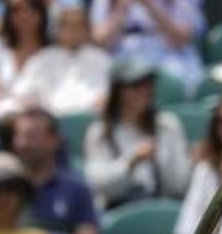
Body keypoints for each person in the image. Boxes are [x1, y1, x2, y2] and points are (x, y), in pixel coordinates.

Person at [0, 103, 100, 234]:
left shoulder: (76, 190)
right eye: (19, 136)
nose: (23, 144)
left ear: (54, 141)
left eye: (31, 137)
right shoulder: (0, 189)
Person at [82, 57, 191, 208]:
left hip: (160, 207)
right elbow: (98, 185)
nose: (145, 91)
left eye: (149, 84)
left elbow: (181, 185)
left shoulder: (168, 126)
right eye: (136, 85)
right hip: (117, 210)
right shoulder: (99, 132)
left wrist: (159, 162)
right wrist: (131, 162)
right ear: (118, 91)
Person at [10, 0, 112, 118]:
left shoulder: (102, 59)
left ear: (87, 29)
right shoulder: (42, 60)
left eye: (80, 25)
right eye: (69, 25)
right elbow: (23, 92)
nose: (75, 31)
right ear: (58, 30)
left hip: (92, 118)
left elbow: (110, 94)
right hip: (50, 122)